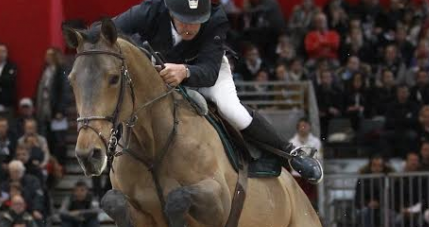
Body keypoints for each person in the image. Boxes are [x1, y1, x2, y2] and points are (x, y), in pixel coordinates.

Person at [101, 0, 322, 183]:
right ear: (170, 12)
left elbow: (209, 71)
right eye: (184, 20)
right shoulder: (150, 9)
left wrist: (185, 72)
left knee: (232, 110)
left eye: (197, 22)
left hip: (207, 72)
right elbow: (104, 31)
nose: (190, 27)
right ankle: (106, 149)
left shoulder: (216, 18)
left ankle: (290, 154)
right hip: (161, 74)